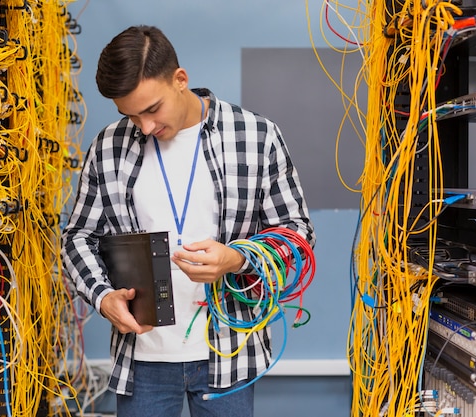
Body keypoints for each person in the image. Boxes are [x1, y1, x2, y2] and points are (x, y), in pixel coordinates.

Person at [61, 25, 315, 417]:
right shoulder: (108, 145)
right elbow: (78, 236)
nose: (144, 127)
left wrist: (237, 259)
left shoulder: (256, 135)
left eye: (151, 109)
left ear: (181, 79)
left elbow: (297, 233)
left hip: (229, 354)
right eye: (130, 115)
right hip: (142, 360)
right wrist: (101, 296)